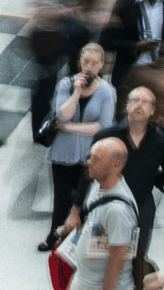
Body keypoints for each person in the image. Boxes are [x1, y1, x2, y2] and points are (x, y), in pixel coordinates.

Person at [67, 87, 164, 258]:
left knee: (136, 258)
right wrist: (75, 211)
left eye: (145, 103)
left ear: (152, 111)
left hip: (141, 207)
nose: (139, 106)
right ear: (127, 106)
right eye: (135, 101)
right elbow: (87, 174)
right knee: (99, 256)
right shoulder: (107, 136)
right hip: (106, 204)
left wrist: (152, 180)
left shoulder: (159, 142)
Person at [39, 43, 117, 251]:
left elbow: (103, 126)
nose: (89, 66)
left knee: (82, 200)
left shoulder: (108, 92)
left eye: (94, 62)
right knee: (60, 196)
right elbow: (62, 113)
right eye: (85, 62)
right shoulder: (66, 84)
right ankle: (55, 234)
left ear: (101, 65)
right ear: (79, 62)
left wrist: (70, 127)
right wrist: (76, 93)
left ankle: (78, 240)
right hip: (63, 151)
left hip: (89, 155)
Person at [56, 138, 137, 290]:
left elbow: (117, 262)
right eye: (90, 157)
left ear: (115, 166)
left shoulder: (118, 211)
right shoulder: (98, 184)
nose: (88, 162)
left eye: (96, 159)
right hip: (84, 281)